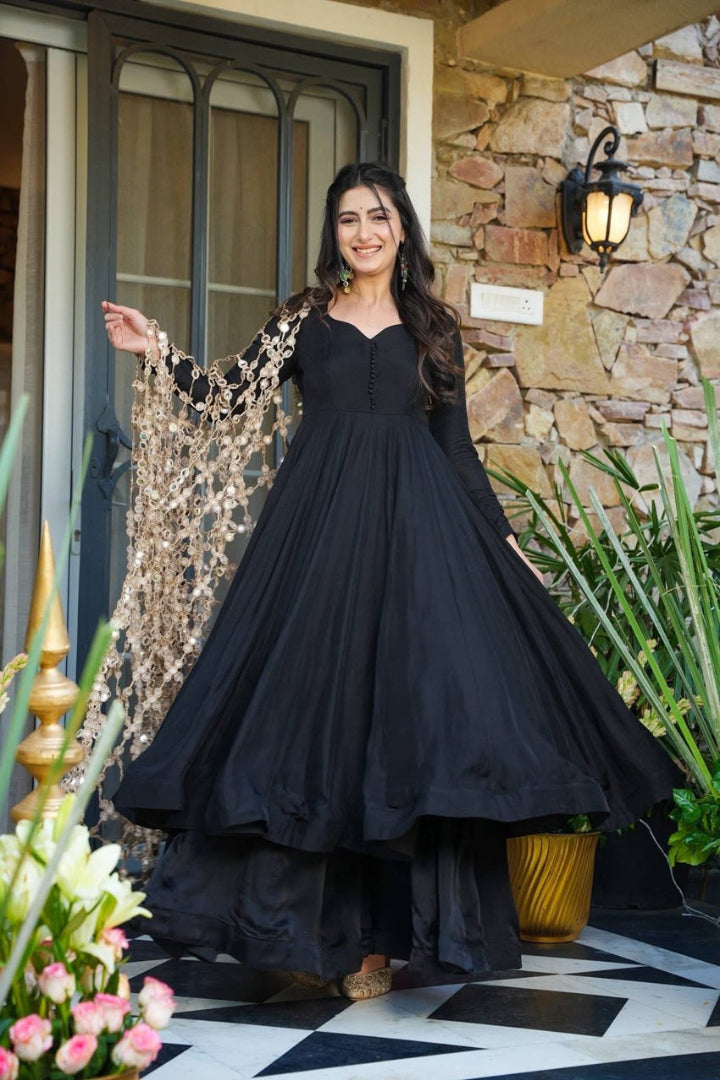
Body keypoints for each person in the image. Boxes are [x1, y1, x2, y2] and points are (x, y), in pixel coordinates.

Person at [102, 161, 677, 1001]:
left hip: (419, 548)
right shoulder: (303, 322)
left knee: (414, 732)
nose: (363, 231)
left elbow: (458, 455)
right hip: (317, 546)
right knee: (314, 726)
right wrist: (156, 348)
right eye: (346, 219)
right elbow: (226, 397)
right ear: (334, 235)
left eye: (376, 215)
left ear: (401, 227)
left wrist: (506, 549)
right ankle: (327, 941)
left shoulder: (434, 328)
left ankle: (393, 938)